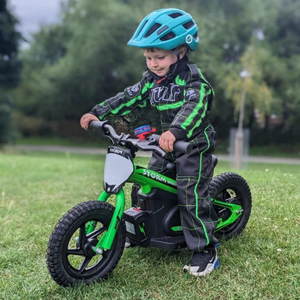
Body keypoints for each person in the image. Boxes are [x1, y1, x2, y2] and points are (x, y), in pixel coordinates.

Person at [80, 8, 219, 277]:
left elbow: (195, 106)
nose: (153, 64)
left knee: (189, 194)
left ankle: (205, 250)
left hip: (192, 144)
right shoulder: (150, 81)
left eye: (159, 57)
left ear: (180, 52)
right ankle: (143, 230)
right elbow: (127, 97)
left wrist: (176, 131)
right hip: (165, 142)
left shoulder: (193, 81)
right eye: (148, 58)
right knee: (146, 182)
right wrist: (98, 112)